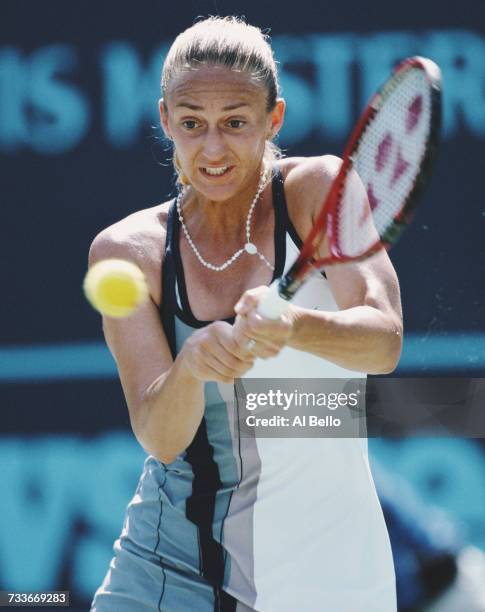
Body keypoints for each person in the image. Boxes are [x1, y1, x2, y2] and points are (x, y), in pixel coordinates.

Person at [89, 16, 403, 612]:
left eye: (235, 123)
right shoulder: (127, 251)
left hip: (328, 576)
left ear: (273, 118)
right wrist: (192, 365)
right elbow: (159, 435)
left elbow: (384, 339)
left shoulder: (320, 191)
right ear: (165, 121)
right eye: (192, 124)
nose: (212, 148)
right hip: (169, 570)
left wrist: (296, 327)